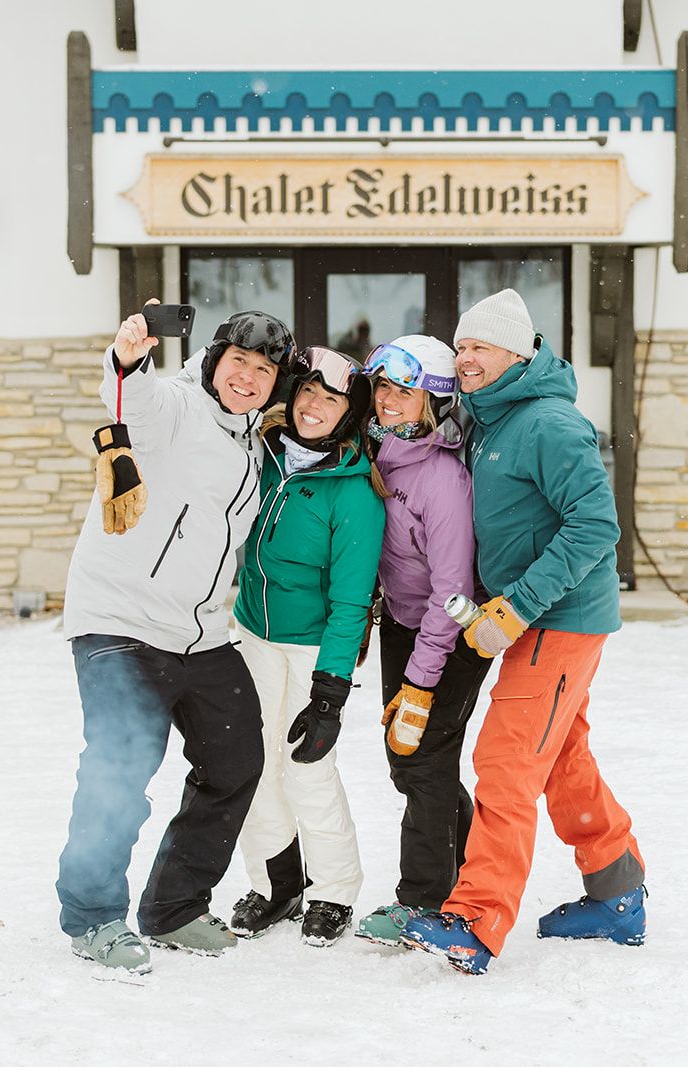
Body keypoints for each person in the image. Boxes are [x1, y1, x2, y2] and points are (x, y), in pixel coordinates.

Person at [402, 289, 647, 975]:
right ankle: (617, 889)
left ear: (516, 351)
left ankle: (474, 923)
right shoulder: (487, 420)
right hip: (530, 617)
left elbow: (597, 527)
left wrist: (517, 605)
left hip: (558, 619)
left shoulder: (548, 424)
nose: (466, 358)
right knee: (562, 758)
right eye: (461, 347)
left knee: (506, 763)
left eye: (479, 346)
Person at [56, 302, 294, 977]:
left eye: (263, 369)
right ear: (216, 361)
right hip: (121, 620)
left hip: (200, 633)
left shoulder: (255, 445)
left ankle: (174, 906)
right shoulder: (180, 408)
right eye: (239, 361)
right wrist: (129, 357)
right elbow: (134, 399)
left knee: (236, 757)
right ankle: (93, 915)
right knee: (120, 766)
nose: (248, 376)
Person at [228, 346, 387, 947]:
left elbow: (352, 601)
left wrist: (330, 693)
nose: (314, 407)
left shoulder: (354, 491)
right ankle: (276, 883)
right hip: (250, 633)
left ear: (349, 413)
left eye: (331, 398)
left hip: (311, 647)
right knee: (252, 762)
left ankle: (334, 889)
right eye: (308, 393)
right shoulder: (264, 456)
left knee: (307, 768)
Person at [349, 335, 494, 947]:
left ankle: (424, 900)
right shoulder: (378, 455)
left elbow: (453, 591)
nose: (387, 400)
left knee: (424, 762)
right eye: (382, 387)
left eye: (403, 391)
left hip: (451, 635)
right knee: (408, 762)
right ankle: (467, 868)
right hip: (404, 626)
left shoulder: (443, 479)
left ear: (431, 400)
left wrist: (420, 679)